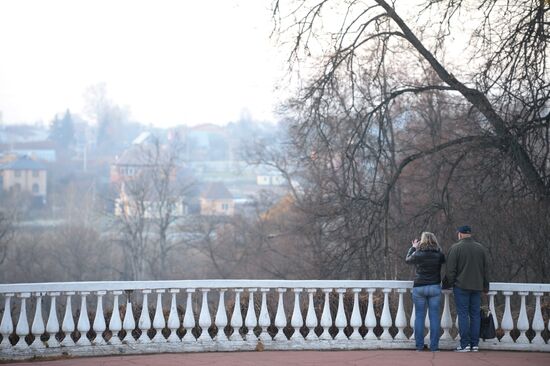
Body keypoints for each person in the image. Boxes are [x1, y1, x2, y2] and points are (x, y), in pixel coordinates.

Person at [443, 225, 490, 352]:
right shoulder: (480, 249)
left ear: (460, 234)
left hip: (461, 287)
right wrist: (486, 286)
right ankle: (474, 344)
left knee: (463, 315)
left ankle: (465, 345)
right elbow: (486, 270)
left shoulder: (456, 248)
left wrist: (449, 284)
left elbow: (450, 270)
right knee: (475, 315)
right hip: (477, 287)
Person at [405, 232, 445, 352]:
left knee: (419, 317)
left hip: (419, 287)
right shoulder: (439, 254)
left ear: (422, 241)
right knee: (434, 317)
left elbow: (407, 260)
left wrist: (413, 247)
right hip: (434, 286)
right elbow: (444, 261)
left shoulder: (418, 253)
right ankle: (434, 347)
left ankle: (419, 346)